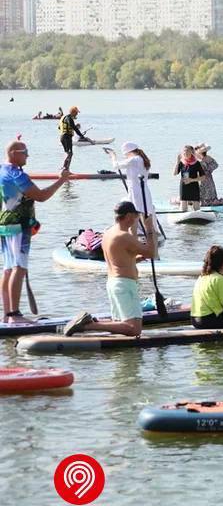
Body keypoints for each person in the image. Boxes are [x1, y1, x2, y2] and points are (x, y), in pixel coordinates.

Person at [63, 200, 158, 337]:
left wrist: (137, 258)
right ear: (129, 216)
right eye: (136, 216)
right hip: (125, 285)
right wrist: (149, 229)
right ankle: (88, 325)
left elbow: (120, 260)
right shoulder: (123, 236)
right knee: (134, 329)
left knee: (121, 324)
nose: (137, 219)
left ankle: (92, 324)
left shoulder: (108, 233)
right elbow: (151, 253)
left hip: (114, 283)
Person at [1, 141, 68, 322]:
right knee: (19, 267)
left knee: (8, 268)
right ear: (14, 153)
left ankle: (7, 315)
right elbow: (41, 196)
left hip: (5, 225)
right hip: (18, 227)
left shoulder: (1, 170)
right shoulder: (16, 174)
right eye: (25, 152)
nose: (27, 156)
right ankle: (14, 315)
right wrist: (61, 180)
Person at [108, 142, 160, 237]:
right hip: (142, 189)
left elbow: (116, 165)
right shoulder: (141, 159)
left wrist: (113, 156)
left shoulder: (134, 160)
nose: (125, 157)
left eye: (125, 155)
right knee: (139, 214)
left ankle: (138, 237)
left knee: (138, 215)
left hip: (136, 191)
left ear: (128, 152)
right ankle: (140, 236)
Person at [173, 145, 206, 212]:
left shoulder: (197, 163)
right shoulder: (181, 162)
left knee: (196, 207)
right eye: (184, 151)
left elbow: (203, 177)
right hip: (184, 186)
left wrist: (192, 180)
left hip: (194, 185)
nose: (185, 152)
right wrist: (177, 162)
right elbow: (175, 173)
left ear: (191, 152)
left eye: (187, 151)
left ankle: (197, 218)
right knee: (183, 208)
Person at [58, 106, 86, 172]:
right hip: (66, 137)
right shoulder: (69, 118)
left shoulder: (64, 117)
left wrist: (69, 128)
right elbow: (74, 128)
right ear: (73, 112)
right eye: (76, 113)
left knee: (68, 153)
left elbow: (59, 127)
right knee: (69, 153)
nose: (77, 114)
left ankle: (66, 169)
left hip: (63, 137)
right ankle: (65, 169)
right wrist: (82, 136)